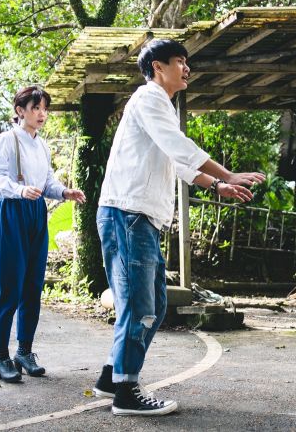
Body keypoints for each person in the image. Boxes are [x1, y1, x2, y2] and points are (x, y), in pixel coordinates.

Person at [92, 39, 265, 416]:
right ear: (158, 66)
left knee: (150, 303)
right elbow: (179, 145)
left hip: (137, 218)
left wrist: (218, 185)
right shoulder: (149, 98)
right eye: (180, 62)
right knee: (140, 306)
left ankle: (112, 377)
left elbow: (177, 160)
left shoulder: (158, 106)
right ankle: (125, 392)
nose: (187, 69)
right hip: (128, 215)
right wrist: (226, 172)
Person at [0, 85, 86, 382]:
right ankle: (2, 356)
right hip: (12, 213)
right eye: (36, 108)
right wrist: (19, 190)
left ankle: (25, 352)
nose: (42, 114)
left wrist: (65, 192)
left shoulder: (42, 146)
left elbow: (47, 182)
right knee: (10, 288)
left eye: (45, 109)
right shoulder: (7, 140)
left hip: (36, 214)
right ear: (20, 111)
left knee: (33, 287)